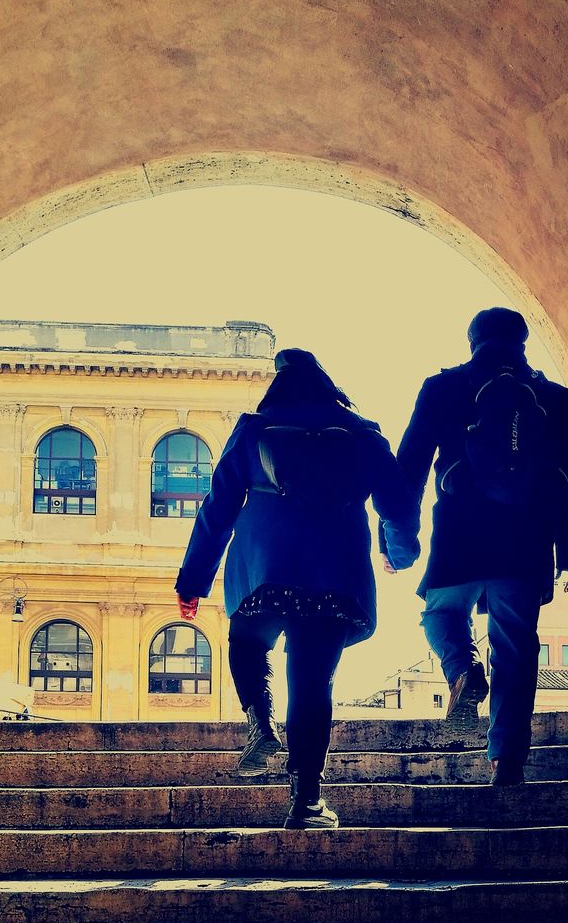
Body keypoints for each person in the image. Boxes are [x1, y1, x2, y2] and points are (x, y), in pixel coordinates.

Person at [175, 349, 419, 829]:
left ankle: (260, 724)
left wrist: (194, 580)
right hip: (335, 573)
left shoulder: (253, 429)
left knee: (247, 640)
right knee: (311, 681)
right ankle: (306, 800)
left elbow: (218, 507)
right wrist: (399, 551)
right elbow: (399, 503)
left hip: (265, 570)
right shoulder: (363, 434)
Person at [395, 307, 568, 784]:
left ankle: (463, 669)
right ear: (523, 342)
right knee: (517, 646)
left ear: (473, 342)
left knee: (440, 614)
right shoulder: (555, 398)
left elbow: (409, 469)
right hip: (526, 539)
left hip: (459, 532)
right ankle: (507, 761)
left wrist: (400, 541)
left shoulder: (443, 389)